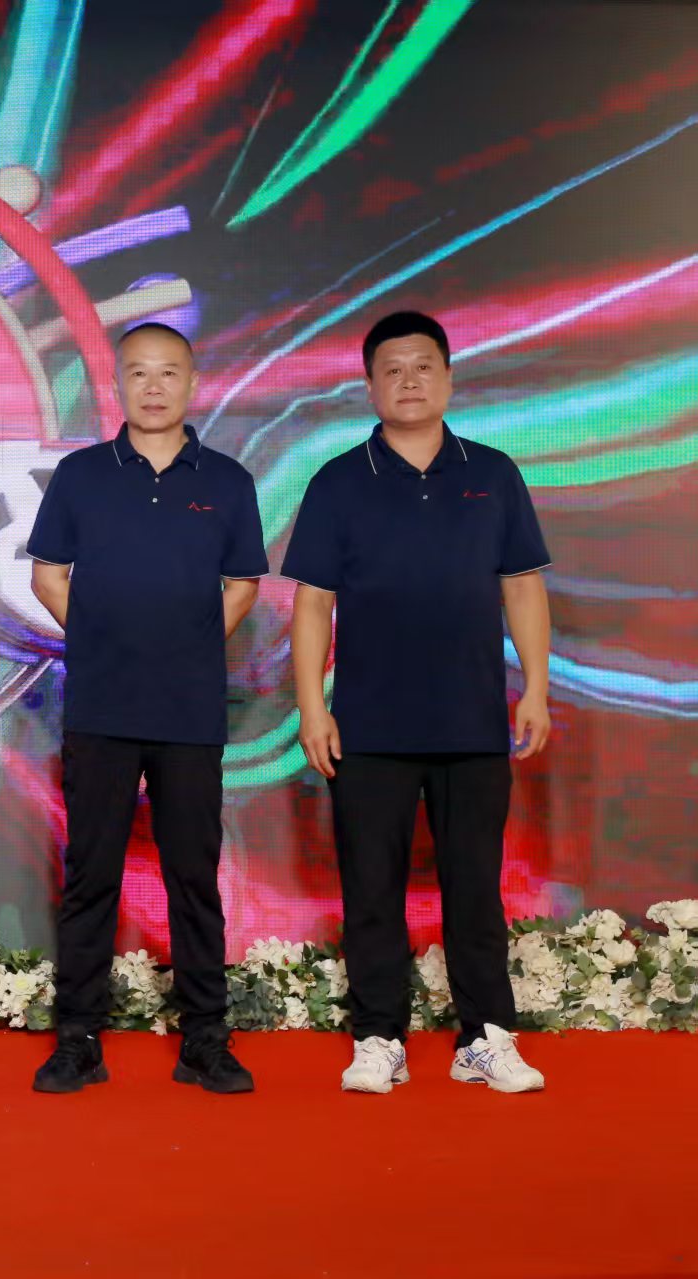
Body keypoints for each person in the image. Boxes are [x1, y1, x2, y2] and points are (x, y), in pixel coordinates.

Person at [283, 310, 552, 1094]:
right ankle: (378, 1037)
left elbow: (521, 585)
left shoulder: (491, 473)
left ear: (447, 377)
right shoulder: (338, 480)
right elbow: (311, 603)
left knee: (475, 886)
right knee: (371, 887)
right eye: (391, 369)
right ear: (368, 386)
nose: (408, 380)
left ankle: (485, 1036)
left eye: (422, 365)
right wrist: (311, 707)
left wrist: (535, 687)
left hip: (472, 719)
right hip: (367, 725)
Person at [26, 322, 266, 1096]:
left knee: (191, 874)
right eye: (137, 373)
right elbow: (46, 576)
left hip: (188, 707)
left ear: (192, 384)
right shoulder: (81, 475)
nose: (153, 386)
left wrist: (188, 645)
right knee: (90, 874)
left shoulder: (225, 480)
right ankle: (76, 1038)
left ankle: (205, 1038)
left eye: (168, 372)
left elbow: (243, 584)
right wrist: (102, 641)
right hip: (100, 704)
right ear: (116, 386)